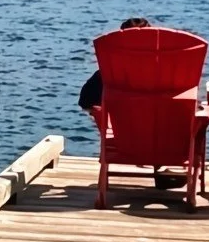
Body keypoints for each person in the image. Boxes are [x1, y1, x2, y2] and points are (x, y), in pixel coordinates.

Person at [79, 17, 186, 189]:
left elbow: (85, 101)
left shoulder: (107, 74)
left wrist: (100, 115)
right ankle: (163, 168)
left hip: (125, 143)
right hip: (167, 144)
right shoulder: (167, 74)